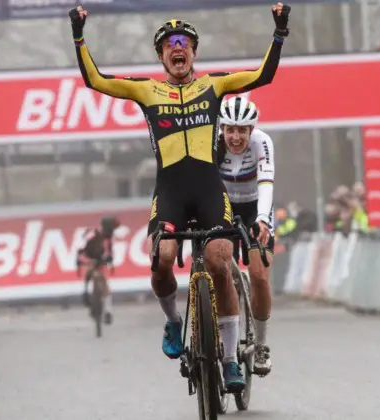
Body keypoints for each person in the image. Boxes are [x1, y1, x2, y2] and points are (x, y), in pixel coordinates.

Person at [68, 2, 291, 392]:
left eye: (184, 42)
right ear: (161, 56)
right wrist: (79, 36)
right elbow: (95, 80)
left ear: (193, 52)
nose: (178, 46)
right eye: (170, 43)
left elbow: (262, 75)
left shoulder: (213, 85)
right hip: (170, 190)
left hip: (208, 190)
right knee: (162, 260)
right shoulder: (145, 90)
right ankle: (173, 321)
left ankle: (228, 362)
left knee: (221, 262)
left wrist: (279, 31)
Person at [215, 96, 275, 376]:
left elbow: (265, 182)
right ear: (222, 129)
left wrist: (262, 218)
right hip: (223, 205)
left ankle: (261, 344)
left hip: (255, 207)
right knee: (219, 266)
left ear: (251, 130)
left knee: (260, 276)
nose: (235, 137)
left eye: (242, 130)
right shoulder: (214, 144)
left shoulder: (262, 142)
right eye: (230, 130)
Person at [77, 216, 120, 325]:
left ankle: (108, 310)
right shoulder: (93, 233)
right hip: (88, 257)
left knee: (104, 281)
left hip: (100, 260)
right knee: (90, 272)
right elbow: (82, 246)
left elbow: (109, 253)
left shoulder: (108, 238)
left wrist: (110, 261)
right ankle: (86, 291)